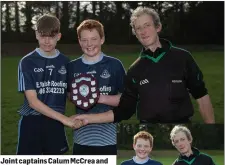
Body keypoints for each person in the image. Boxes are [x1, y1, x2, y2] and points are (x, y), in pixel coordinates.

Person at [73, 6, 215, 125]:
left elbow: (201, 96)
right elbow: (123, 111)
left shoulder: (183, 57)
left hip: (182, 129)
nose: (143, 31)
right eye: (138, 28)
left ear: (158, 27)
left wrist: (212, 131)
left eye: (147, 25)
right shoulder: (135, 70)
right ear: (135, 33)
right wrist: (87, 118)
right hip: (148, 135)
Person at [17, 14, 81, 155]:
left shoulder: (66, 62)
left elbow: (71, 94)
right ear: (36, 35)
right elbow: (33, 102)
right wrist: (65, 119)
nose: (47, 41)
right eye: (43, 36)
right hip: (32, 123)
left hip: (55, 125)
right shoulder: (27, 61)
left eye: (51, 36)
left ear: (59, 36)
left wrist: (87, 96)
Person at [68, 19, 125, 155]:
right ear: (79, 41)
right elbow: (69, 96)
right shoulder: (72, 67)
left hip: (107, 140)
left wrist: (97, 97)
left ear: (102, 39)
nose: (89, 44)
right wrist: (77, 96)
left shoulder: (114, 65)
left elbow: (126, 99)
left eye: (94, 39)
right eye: (85, 40)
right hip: (81, 139)